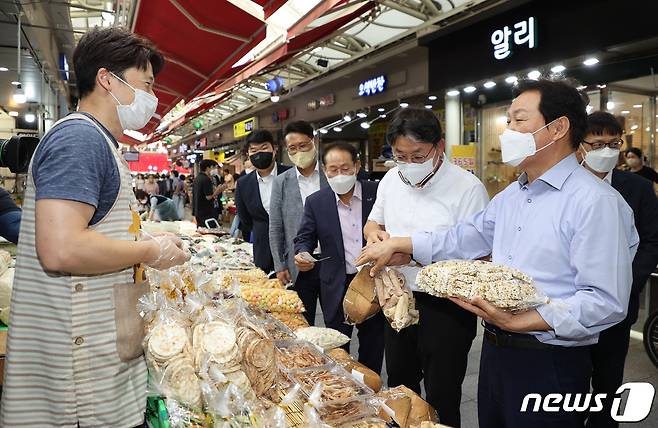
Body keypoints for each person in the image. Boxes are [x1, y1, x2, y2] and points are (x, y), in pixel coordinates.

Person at [355, 79, 638, 428]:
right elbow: (465, 237)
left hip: (549, 359)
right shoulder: (512, 196)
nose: (508, 131)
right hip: (496, 350)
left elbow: (605, 301)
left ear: (558, 128)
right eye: (508, 121)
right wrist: (404, 245)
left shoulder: (595, 202)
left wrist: (524, 321)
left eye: (519, 120)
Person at [0, 27, 190, 428]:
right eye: (146, 85)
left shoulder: (98, 141)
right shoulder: (79, 140)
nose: (152, 99)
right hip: (79, 379)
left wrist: (144, 237)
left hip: (97, 354)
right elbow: (62, 248)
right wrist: (148, 252)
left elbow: (93, 228)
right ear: (107, 79)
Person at [362, 108, 489, 427]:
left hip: (447, 306)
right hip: (398, 299)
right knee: (402, 388)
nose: (408, 164)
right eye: (400, 155)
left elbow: (476, 252)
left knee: (442, 393)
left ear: (440, 146)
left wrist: (411, 254)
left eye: (418, 155)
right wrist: (374, 232)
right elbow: (374, 220)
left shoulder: (468, 188)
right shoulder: (392, 179)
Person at [577, 111, 658, 428]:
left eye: (614, 143)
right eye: (597, 144)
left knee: (608, 383)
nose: (607, 151)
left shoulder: (637, 188)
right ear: (580, 146)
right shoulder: (563, 184)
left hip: (618, 304)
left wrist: (629, 284)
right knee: (568, 382)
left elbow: (652, 240)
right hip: (570, 303)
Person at [293, 142, 385, 373]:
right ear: (324, 171)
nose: (339, 174)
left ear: (357, 166)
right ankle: (343, 390)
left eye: (345, 168)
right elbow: (304, 236)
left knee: (373, 344)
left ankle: (370, 387)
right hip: (336, 282)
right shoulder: (317, 202)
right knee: (337, 345)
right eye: (333, 169)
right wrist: (302, 253)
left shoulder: (378, 193)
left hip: (372, 280)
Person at [269, 121, 328, 325]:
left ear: (315, 142)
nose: (298, 152)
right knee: (302, 321)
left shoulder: (331, 175)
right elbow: (276, 225)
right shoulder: (282, 182)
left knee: (336, 320)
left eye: (303, 145)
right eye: (293, 148)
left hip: (331, 260)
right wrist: (280, 264)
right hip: (299, 263)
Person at [235, 130, 290, 272]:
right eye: (253, 150)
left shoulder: (291, 175)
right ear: (248, 154)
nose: (259, 153)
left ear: (274, 149)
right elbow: (245, 219)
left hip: (293, 252)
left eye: (264, 148)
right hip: (262, 252)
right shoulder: (243, 184)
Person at [193, 159, 226, 228]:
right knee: (209, 232)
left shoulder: (197, 178)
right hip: (206, 211)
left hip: (198, 211)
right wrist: (218, 190)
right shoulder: (206, 179)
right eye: (214, 167)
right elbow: (208, 197)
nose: (215, 170)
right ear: (208, 168)